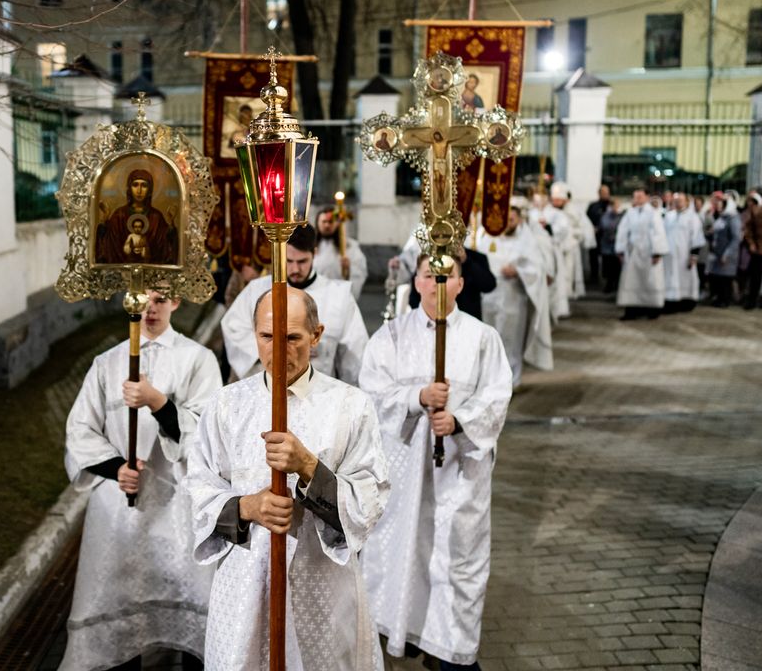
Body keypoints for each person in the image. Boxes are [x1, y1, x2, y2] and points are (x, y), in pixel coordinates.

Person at [187, 288, 390, 670]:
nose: (279, 351)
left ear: (317, 335)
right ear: (254, 334)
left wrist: (309, 467)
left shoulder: (350, 406)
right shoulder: (226, 405)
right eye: (267, 337)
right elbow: (198, 486)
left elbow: (369, 500)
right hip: (245, 587)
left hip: (323, 590)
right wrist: (247, 506)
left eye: (293, 338)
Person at [360, 253, 513, 671]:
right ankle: (404, 638)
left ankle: (451, 654)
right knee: (400, 563)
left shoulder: (483, 339)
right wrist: (417, 399)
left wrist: (459, 421)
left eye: (447, 277)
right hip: (405, 475)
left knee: (456, 567)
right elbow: (371, 393)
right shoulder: (390, 337)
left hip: (458, 481)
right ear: (417, 281)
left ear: (462, 285)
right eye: (430, 275)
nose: (438, 284)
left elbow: (497, 398)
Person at [60, 290, 221, 671]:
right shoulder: (106, 363)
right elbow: (80, 430)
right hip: (121, 508)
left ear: (177, 301)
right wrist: (117, 467)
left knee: (190, 600)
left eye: (162, 298)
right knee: (121, 606)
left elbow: (209, 432)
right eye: (141, 299)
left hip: (178, 506)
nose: (150, 308)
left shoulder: (198, 360)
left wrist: (158, 403)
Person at [221, 225, 368, 384]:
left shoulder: (339, 295)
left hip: (319, 391)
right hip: (268, 389)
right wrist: (275, 350)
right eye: (289, 261)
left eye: (302, 261)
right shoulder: (257, 290)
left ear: (315, 253)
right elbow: (233, 327)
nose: (295, 269)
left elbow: (356, 351)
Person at [477, 207, 552, 385]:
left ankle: (512, 381)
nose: (508, 223)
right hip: (488, 297)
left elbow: (536, 268)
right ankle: (489, 380)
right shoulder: (488, 237)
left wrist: (518, 271)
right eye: (505, 219)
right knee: (489, 339)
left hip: (513, 296)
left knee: (510, 340)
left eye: (512, 220)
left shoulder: (526, 240)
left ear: (519, 220)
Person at [96, 168, 175, 265]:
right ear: (129, 188)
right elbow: (108, 245)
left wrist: (171, 224)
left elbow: (166, 246)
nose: (139, 190)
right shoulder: (119, 215)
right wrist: (104, 219)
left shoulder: (156, 217)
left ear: (150, 190)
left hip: (152, 273)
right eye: (135, 185)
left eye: (144, 186)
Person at [615, 188, 669, 320]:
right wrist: (621, 249)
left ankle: (652, 310)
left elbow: (658, 232)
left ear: (646, 197)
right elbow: (623, 231)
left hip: (648, 253)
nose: (637, 199)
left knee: (650, 281)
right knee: (632, 281)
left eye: (640, 197)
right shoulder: (630, 213)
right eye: (635, 197)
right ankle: (632, 310)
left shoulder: (653, 213)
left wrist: (657, 252)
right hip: (633, 252)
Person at [662, 193, 706, 313]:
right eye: (675, 200)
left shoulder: (693, 217)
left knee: (686, 278)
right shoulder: (669, 216)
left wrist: (694, 255)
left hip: (684, 256)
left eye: (680, 201)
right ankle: (670, 302)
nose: (678, 203)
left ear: (687, 202)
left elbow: (697, 237)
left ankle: (687, 302)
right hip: (669, 255)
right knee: (670, 278)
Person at [315, 207, 368, 299]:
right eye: (324, 222)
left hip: (338, 296)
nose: (327, 225)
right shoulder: (310, 246)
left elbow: (360, 272)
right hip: (314, 295)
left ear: (337, 224)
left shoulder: (350, 247)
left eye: (330, 222)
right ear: (318, 223)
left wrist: (348, 270)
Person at [705, 192, 742, 308]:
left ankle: (725, 299)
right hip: (718, 253)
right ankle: (719, 298)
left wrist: (727, 253)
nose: (719, 205)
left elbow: (736, 238)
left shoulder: (733, 217)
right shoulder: (722, 217)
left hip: (727, 254)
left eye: (722, 203)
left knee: (726, 279)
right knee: (718, 278)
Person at [586, 184, 613, 286]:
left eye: (607, 192)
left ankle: (607, 279)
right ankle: (594, 277)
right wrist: (592, 227)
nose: (605, 194)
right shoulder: (593, 206)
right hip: (595, 236)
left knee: (607, 259)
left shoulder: (611, 205)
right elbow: (586, 219)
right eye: (603, 193)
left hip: (607, 237)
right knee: (593, 257)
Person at [598, 198, 622, 294]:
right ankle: (609, 285)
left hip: (616, 247)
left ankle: (616, 285)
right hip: (607, 247)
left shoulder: (621, 216)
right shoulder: (606, 216)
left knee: (617, 268)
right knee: (608, 268)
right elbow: (606, 226)